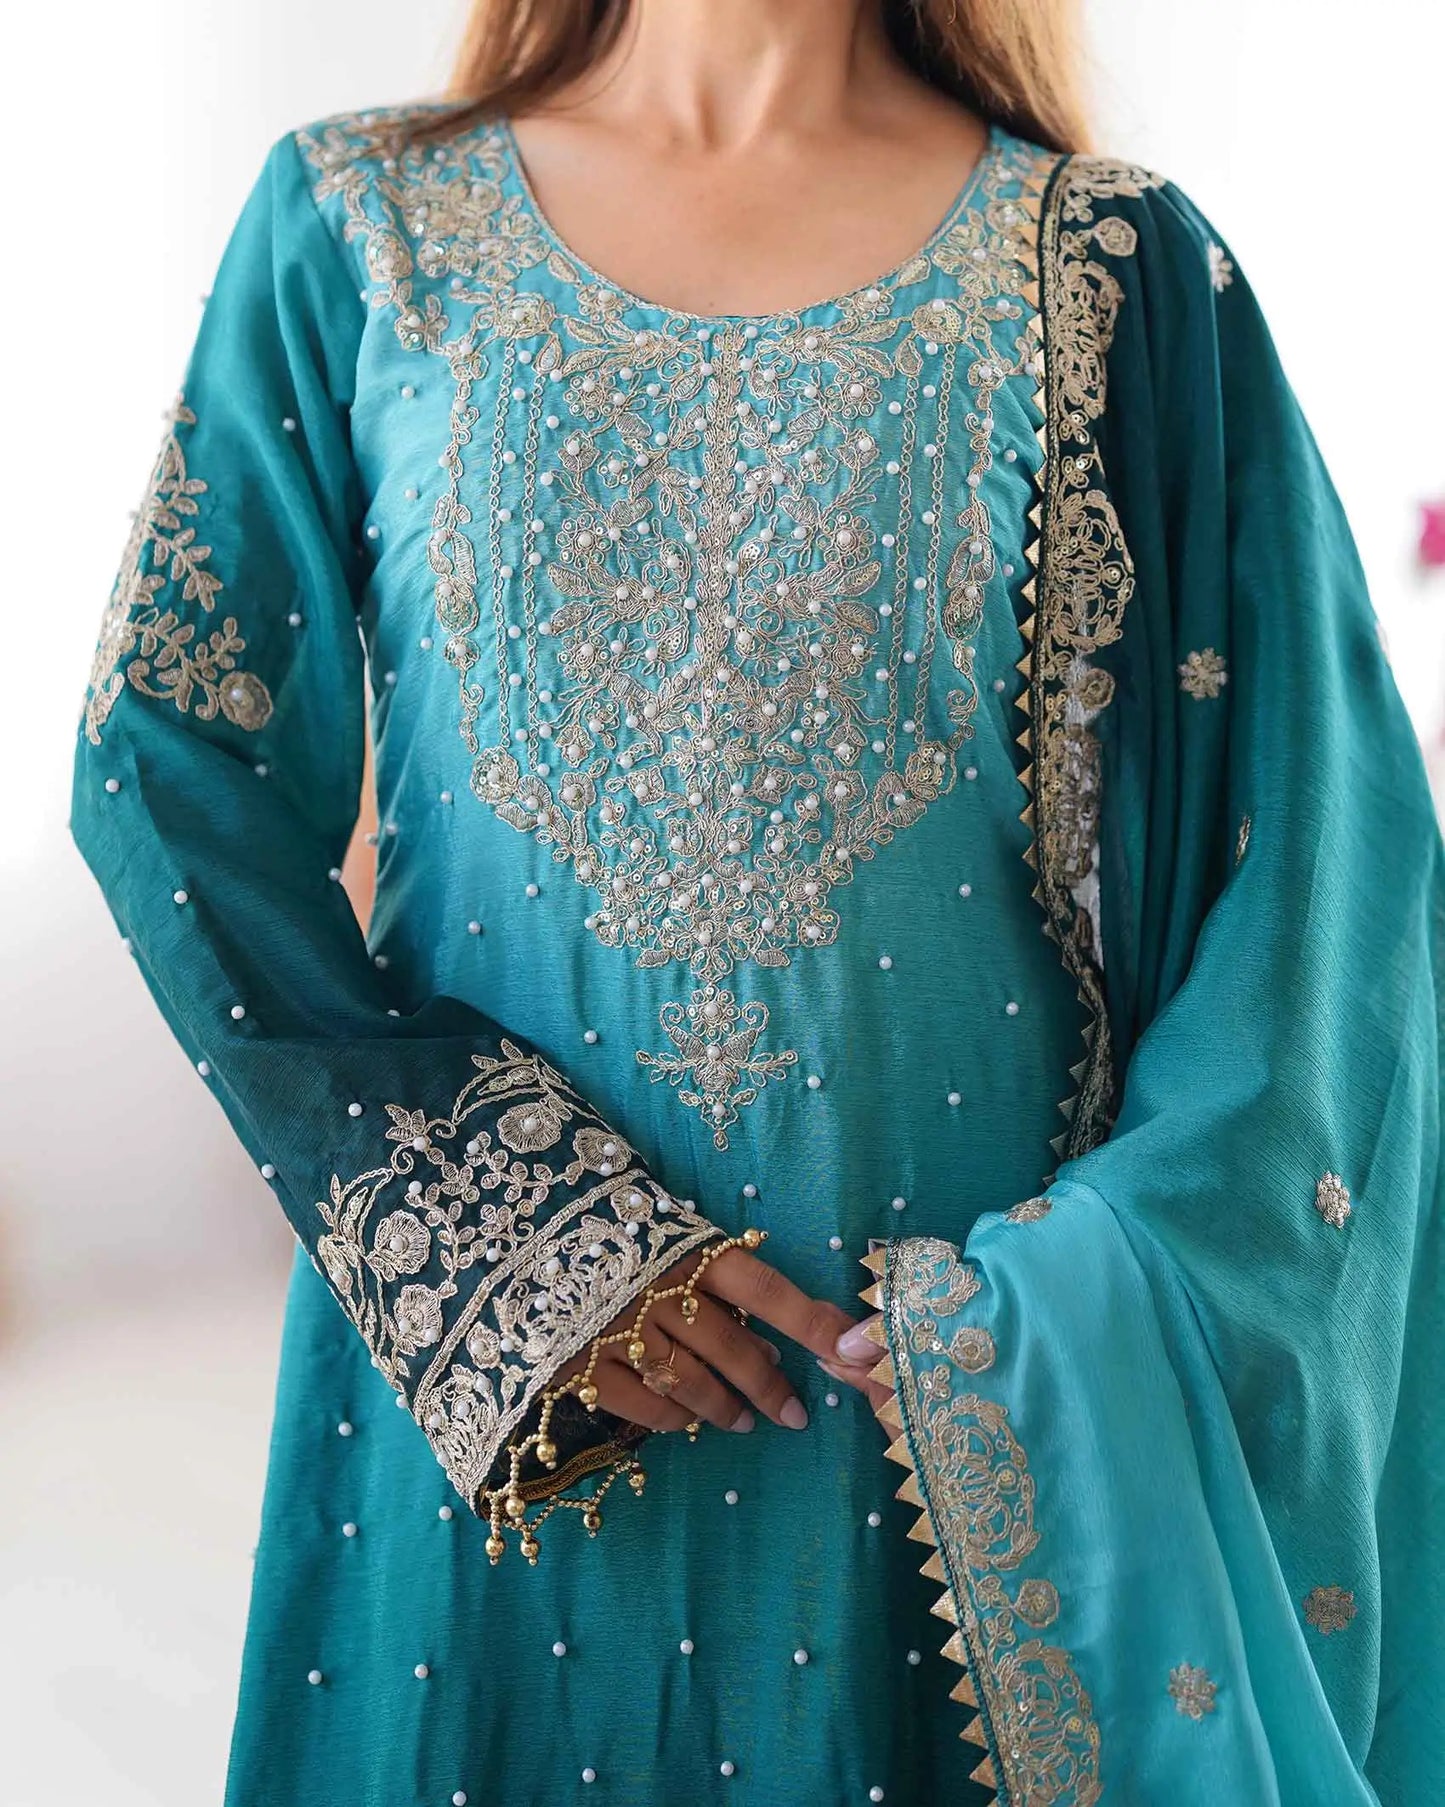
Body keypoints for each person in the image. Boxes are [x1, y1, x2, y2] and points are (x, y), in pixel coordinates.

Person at [70, 1, 1445, 1802]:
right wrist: (498, 1241)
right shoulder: (360, 224)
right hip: (497, 1397)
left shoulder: (1106, 264)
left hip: (938, 1455)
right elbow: (165, 761)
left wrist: (1024, 1333)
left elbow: (1327, 887)